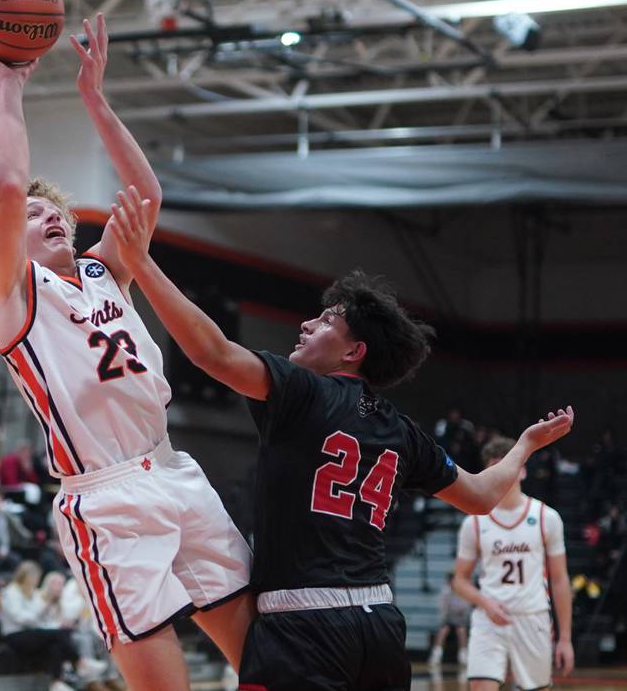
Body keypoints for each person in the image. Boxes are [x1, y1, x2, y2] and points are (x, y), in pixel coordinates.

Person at [106, 184, 576, 691]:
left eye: (328, 320)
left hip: (304, 627)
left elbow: (213, 354)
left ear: (354, 352)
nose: (307, 324)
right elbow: (483, 496)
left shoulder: (302, 390)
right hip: (379, 624)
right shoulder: (400, 429)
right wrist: (525, 445)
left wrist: (142, 263)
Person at [0, 12, 253, 691]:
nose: (52, 217)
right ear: (5, 240)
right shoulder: (11, 291)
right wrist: (8, 85)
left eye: (58, 211)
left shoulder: (104, 271)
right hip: (107, 499)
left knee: (270, 662)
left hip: (176, 472)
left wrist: (95, 98)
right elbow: (10, 190)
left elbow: (146, 196)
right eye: (37, 218)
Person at [452, 437, 574, 691]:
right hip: (489, 618)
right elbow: (459, 580)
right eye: (497, 468)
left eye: (509, 465)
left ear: (522, 469)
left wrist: (565, 638)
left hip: (533, 617)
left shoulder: (546, 517)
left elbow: (560, 579)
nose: (504, 474)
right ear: (487, 473)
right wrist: (484, 601)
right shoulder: (474, 522)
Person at [0, 561, 101, 691]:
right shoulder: (10, 592)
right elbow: (21, 618)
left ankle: (56, 683)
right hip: (15, 635)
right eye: (35, 578)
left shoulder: (32, 593)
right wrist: (44, 607)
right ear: (26, 576)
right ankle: (79, 662)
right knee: (59, 634)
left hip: (32, 632)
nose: (36, 581)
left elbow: (38, 620)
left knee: (55, 645)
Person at [428, 573, 471, 667]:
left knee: (461, 631)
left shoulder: (462, 591)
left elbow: (466, 607)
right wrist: (447, 617)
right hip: (448, 618)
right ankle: (436, 655)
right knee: (443, 631)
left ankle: (463, 656)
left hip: (460, 619)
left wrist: (459, 613)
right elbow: (442, 607)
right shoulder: (445, 591)